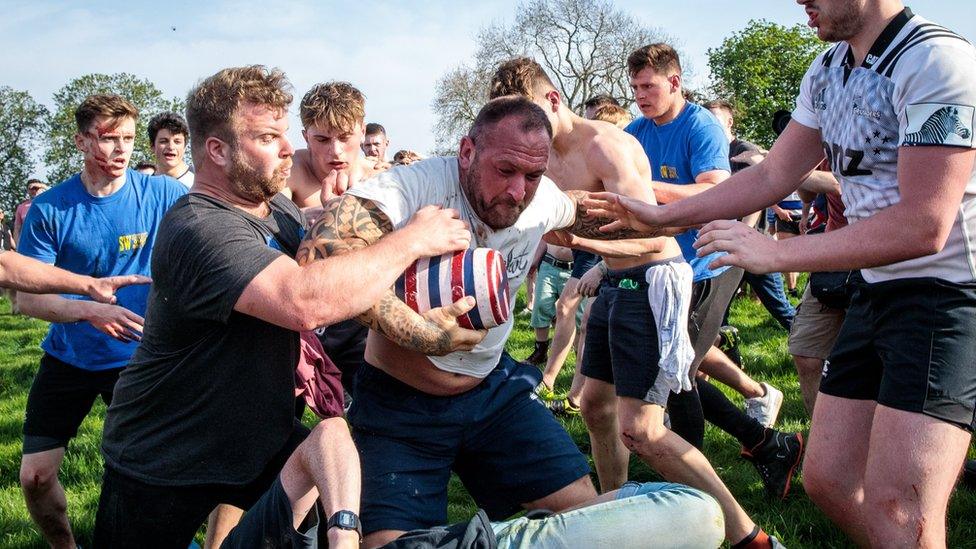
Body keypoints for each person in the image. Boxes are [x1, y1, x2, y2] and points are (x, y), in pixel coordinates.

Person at [586, 2, 976, 545]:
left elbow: (924, 225)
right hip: (875, 286)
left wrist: (773, 254)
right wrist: (661, 215)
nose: (799, 2)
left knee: (903, 510)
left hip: (946, 294)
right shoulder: (827, 69)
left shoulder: (936, 60)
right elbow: (772, 172)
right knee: (828, 480)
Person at [93, 65, 475, 548]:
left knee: (330, 505)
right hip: (164, 454)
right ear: (218, 150)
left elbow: (338, 271)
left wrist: (418, 322)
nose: (287, 148)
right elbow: (305, 301)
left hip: (258, 440)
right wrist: (412, 239)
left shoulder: (277, 209)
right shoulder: (200, 228)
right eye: (269, 137)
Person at [488, 58, 782, 549]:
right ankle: (620, 521)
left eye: (531, 119)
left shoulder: (607, 146)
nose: (524, 134)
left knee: (642, 430)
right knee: (595, 407)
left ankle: (748, 537)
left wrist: (580, 246)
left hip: (653, 280)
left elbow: (655, 239)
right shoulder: (542, 156)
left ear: (554, 101)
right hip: (612, 281)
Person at [623, 44, 799, 493]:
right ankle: (766, 444)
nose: (640, 95)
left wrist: (644, 189)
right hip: (664, 267)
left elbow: (714, 192)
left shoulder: (699, 126)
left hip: (709, 263)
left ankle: (691, 488)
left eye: (649, 86)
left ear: (675, 82)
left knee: (677, 372)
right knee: (680, 372)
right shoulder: (636, 130)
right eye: (635, 87)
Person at [16, 93, 188, 548]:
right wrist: (89, 310)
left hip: (140, 359)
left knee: (150, 471)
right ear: (80, 140)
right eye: (109, 139)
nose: (121, 150)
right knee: (34, 477)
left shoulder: (165, 194)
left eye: (129, 139)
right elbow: (26, 300)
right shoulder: (51, 208)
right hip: (69, 357)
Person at [703, 99, 796, 332]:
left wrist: (743, 233)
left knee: (780, 308)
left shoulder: (744, 150)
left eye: (714, 119)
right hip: (725, 245)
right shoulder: (711, 153)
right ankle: (728, 354)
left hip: (752, 242)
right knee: (716, 315)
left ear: (729, 121)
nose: (709, 125)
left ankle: (813, 346)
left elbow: (756, 196)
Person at [284, 82, 386, 209]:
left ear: (362, 133)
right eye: (322, 140)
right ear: (307, 138)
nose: (336, 151)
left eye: (345, 138)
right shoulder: (288, 170)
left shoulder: (379, 176)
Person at [148, 111, 194, 187]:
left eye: (177, 142)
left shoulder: (199, 183)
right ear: (152, 146)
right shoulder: (145, 188)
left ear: (185, 146)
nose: (171, 147)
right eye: (164, 141)